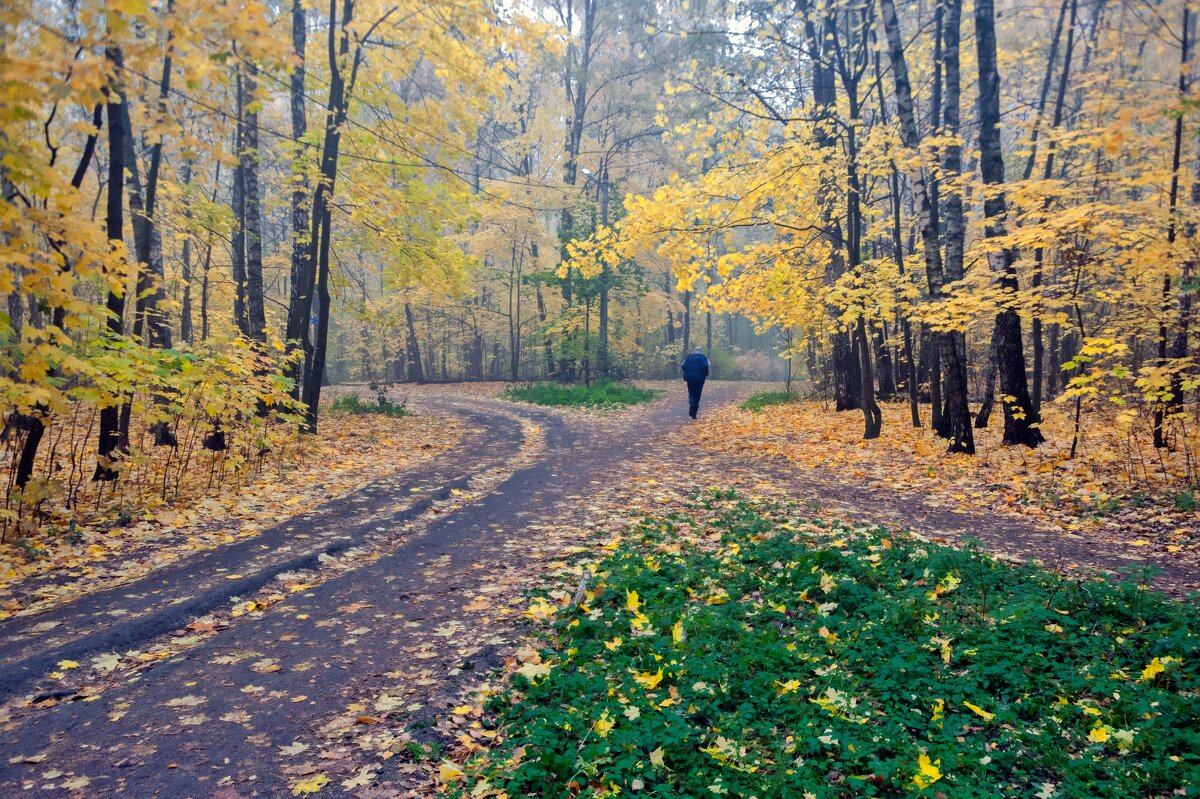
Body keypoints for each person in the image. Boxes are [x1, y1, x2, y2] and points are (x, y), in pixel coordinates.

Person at [680, 346, 710, 419]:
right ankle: (694, 414)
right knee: (698, 393)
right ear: (701, 351)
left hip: (690, 378)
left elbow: (682, 366)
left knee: (691, 392)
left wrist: (688, 371)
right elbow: (707, 365)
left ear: (694, 351)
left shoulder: (689, 357)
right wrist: (705, 374)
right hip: (700, 379)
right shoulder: (704, 358)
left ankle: (691, 404)